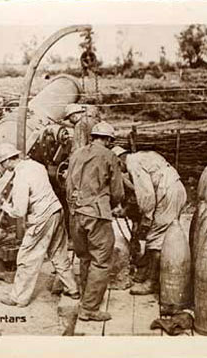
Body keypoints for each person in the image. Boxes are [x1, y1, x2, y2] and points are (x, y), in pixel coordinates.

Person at [0, 143, 79, 307]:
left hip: (42, 217)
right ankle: (73, 288)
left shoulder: (21, 176)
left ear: (7, 161)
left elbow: (19, 211)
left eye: (2, 164)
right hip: (57, 210)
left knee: (27, 257)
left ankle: (19, 298)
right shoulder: (36, 165)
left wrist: (3, 205)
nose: (3, 168)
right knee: (58, 253)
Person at [66, 121, 124, 321]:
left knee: (84, 257)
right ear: (108, 139)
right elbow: (117, 191)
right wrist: (113, 204)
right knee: (101, 260)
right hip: (97, 214)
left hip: (75, 213)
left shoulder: (77, 154)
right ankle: (89, 309)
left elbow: (67, 184)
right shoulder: (109, 156)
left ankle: (85, 298)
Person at [111, 146, 187, 295]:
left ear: (119, 161)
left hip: (168, 193)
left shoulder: (133, 165)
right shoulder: (141, 157)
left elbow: (147, 197)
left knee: (156, 237)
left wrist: (146, 219)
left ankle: (151, 282)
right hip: (175, 189)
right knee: (163, 234)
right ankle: (150, 270)